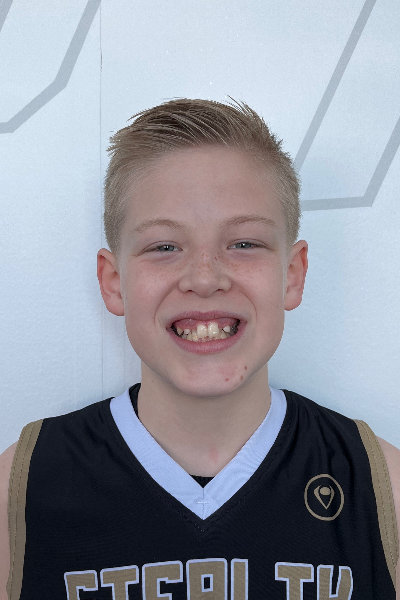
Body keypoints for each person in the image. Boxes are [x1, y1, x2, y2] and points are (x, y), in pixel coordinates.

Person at [0, 97, 399, 600]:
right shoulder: (20, 488)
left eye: (244, 243)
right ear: (114, 282)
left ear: (293, 274)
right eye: (164, 247)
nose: (205, 279)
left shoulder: (383, 487)